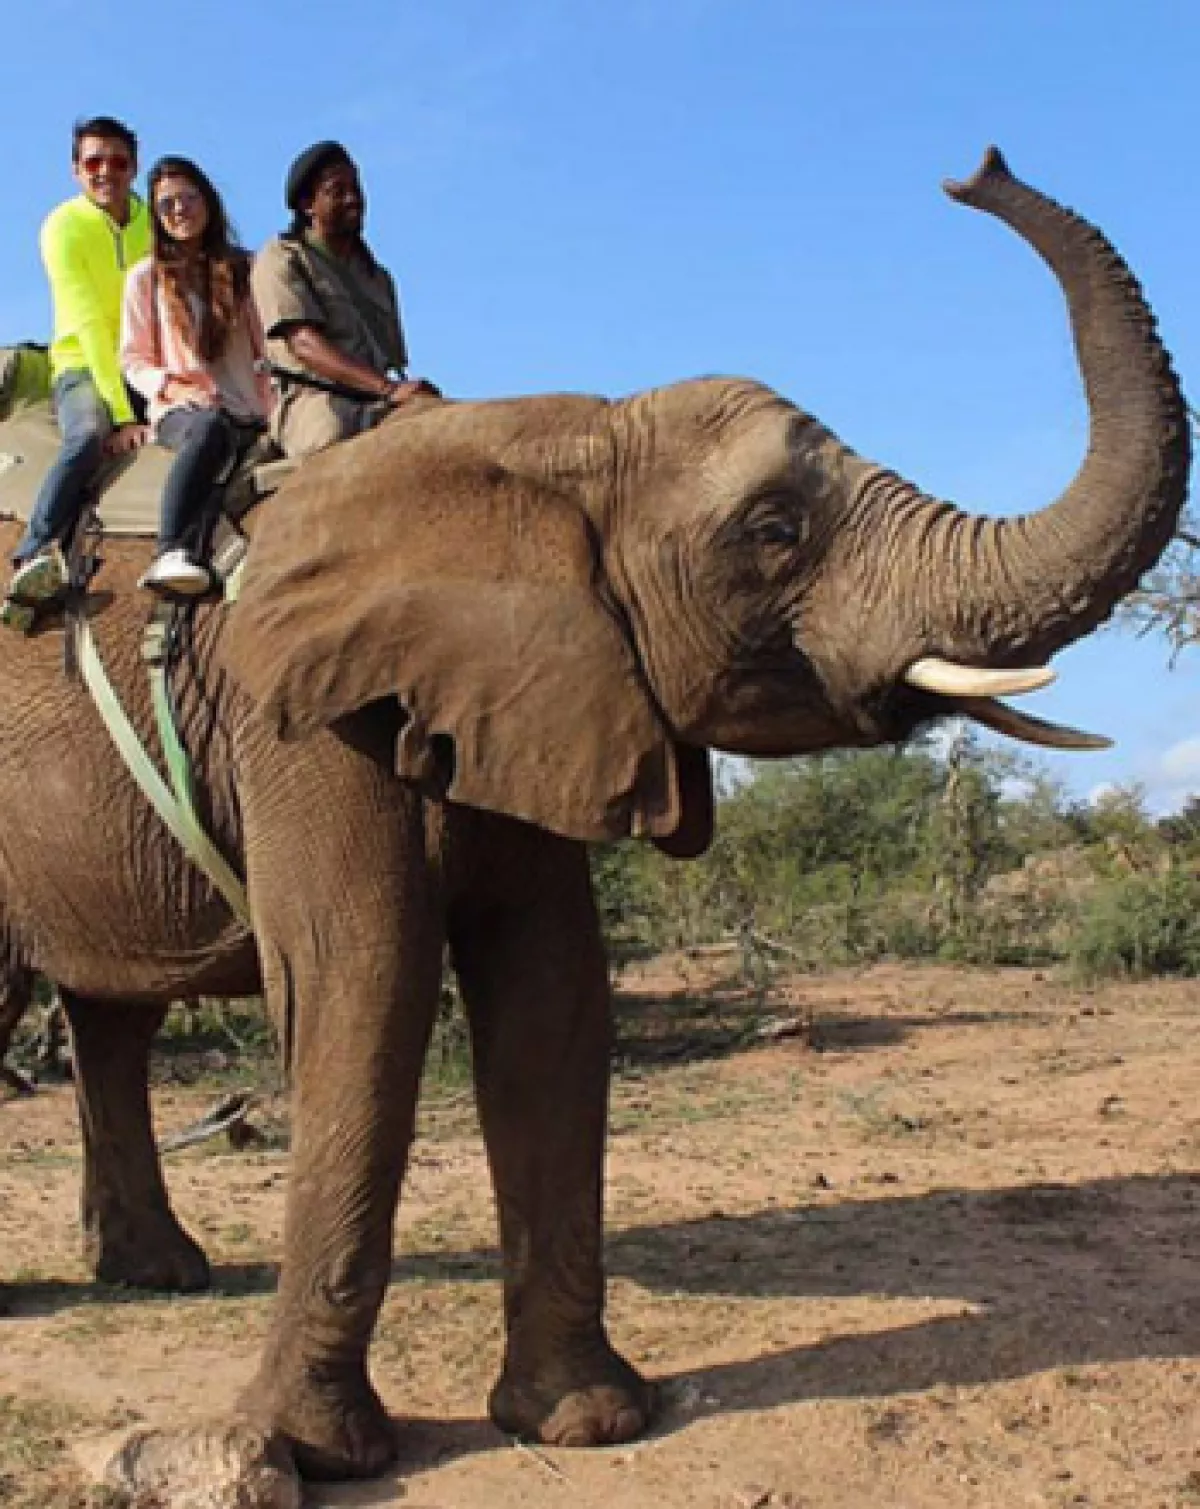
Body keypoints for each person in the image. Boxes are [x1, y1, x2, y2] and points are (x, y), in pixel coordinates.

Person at [5, 116, 151, 611]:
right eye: (94, 161)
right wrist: (124, 413)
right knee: (88, 434)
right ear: (75, 170)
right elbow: (87, 322)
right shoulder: (63, 226)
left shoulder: (153, 223)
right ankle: (33, 550)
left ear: (134, 168)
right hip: (82, 366)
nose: (105, 171)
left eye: (118, 161)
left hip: (145, 365)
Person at [121, 156, 272, 594]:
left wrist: (272, 408)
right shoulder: (145, 279)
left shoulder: (246, 269)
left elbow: (268, 352)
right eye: (167, 204)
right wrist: (171, 386)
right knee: (207, 432)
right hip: (184, 410)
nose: (180, 210)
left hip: (248, 408)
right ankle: (171, 549)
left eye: (189, 198)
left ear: (208, 202)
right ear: (156, 216)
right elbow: (133, 359)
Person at [251, 140, 434, 460]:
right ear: (308, 204)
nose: (353, 199)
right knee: (332, 447)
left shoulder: (378, 277)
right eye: (337, 191)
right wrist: (387, 389)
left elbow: (392, 360)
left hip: (380, 399)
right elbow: (303, 343)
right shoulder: (281, 257)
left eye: (356, 188)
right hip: (315, 400)